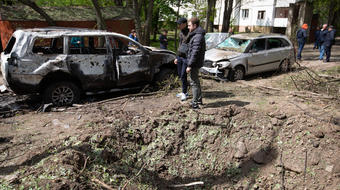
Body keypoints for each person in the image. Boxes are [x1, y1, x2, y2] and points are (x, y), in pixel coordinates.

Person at [186, 17, 206, 109]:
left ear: (195, 25)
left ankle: (195, 103)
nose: (188, 27)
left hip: (194, 63)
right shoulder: (196, 34)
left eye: (189, 25)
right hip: (195, 62)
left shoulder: (198, 36)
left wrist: (190, 65)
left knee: (194, 82)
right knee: (196, 82)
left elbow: (195, 52)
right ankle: (199, 100)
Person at [174, 18, 190, 101]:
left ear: (184, 24)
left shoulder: (190, 33)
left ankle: (185, 93)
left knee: (183, 75)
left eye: (180, 24)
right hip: (180, 57)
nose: (178, 26)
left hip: (186, 58)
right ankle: (184, 91)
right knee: (180, 74)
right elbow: (179, 45)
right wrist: (177, 57)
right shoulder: (181, 33)